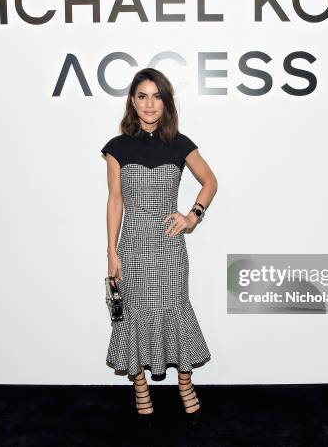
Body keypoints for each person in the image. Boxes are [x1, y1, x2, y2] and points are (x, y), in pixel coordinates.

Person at [101, 68, 217, 423]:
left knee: (175, 310)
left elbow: (210, 181)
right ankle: (140, 387)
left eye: (156, 96)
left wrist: (192, 215)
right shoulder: (116, 148)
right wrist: (112, 252)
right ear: (132, 102)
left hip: (169, 248)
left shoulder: (180, 144)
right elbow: (115, 200)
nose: (149, 104)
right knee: (131, 314)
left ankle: (184, 383)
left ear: (165, 101)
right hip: (132, 246)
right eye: (142, 96)